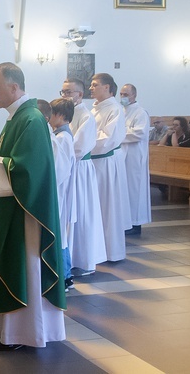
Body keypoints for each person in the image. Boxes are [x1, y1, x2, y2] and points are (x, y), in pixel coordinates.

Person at [0, 63, 65, 351]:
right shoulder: (17, 117)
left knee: (25, 266)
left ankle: (26, 333)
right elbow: (19, 157)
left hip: (28, 212)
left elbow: (30, 170)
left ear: (14, 88)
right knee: (14, 263)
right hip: (14, 205)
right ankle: (9, 330)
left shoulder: (32, 119)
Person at [60, 79, 106, 275]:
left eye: (69, 92)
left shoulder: (86, 116)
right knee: (70, 213)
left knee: (81, 212)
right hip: (69, 166)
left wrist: (61, 151)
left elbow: (78, 146)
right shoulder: (66, 113)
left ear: (79, 94)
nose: (64, 95)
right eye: (62, 91)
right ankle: (70, 258)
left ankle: (84, 260)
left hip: (80, 169)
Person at [90, 73, 131, 262]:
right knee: (97, 207)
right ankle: (98, 249)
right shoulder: (95, 109)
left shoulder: (114, 108)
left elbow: (106, 139)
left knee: (108, 208)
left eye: (95, 84)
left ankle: (112, 252)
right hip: (95, 161)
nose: (91, 88)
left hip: (106, 163)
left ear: (107, 87)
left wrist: (81, 142)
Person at [46, 98, 77, 292]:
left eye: (52, 114)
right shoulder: (60, 136)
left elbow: (60, 169)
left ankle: (65, 276)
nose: (49, 118)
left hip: (60, 191)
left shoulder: (62, 138)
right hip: (60, 190)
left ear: (62, 116)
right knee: (61, 235)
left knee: (60, 236)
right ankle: (65, 275)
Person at [120, 84, 151, 236]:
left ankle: (135, 222)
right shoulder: (122, 111)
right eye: (121, 94)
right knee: (124, 190)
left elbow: (139, 133)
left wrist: (119, 134)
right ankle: (125, 221)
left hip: (134, 158)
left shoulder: (140, 112)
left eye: (126, 94)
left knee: (134, 191)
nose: (123, 97)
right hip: (122, 156)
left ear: (134, 95)